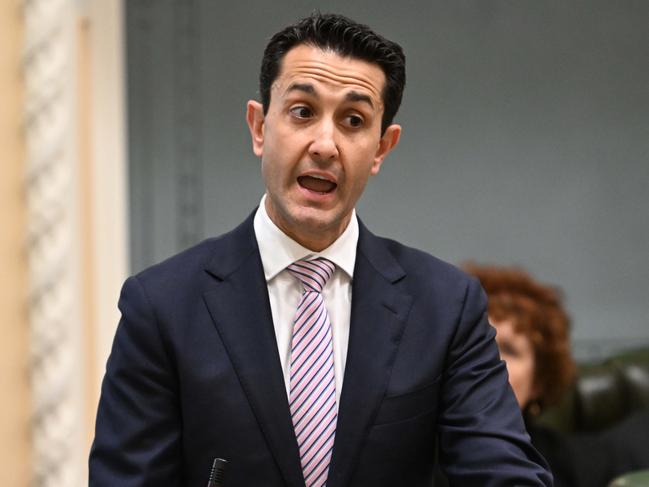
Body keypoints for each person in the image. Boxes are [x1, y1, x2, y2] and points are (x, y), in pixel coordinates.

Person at [89, 14, 552, 486]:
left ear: (381, 149)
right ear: (259, 127)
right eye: (303, 112)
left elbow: (504, 473)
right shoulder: (163, 306)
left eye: (353, 120)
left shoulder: (446, 306)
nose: (325, 145)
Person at [464, 263, 649, 487]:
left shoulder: (569, 463)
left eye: (509, 349)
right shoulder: (417, 448)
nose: (489, 361)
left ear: (539, 383)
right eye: (477, 344)